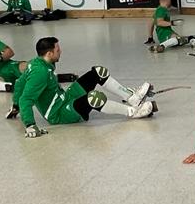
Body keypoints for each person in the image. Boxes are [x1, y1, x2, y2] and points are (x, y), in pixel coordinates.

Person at [10, 36, 155, 137]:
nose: (60, 51)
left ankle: (133, 98)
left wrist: (15, 106)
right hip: (59, 113)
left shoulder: (37, 63)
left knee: (99, 72)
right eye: (57, 50)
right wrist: (30, 125)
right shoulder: (39, 72)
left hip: (65, 98)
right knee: (95, 98)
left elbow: (19, 83)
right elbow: (26, 99)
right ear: (49, 53)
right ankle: (133, 112)